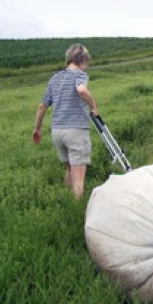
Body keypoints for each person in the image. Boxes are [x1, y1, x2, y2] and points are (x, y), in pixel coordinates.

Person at [32, 44, 99, 199]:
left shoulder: (55, 78)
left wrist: (37, 129)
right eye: (86, 63)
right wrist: (93, 107)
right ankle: (77, 210)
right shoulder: (79, 75)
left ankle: (65, 201)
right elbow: (81, 90)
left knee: (69, 168)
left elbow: (42, 105)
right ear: (81, 60)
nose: (86, 67)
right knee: (78, 180)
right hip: (75, 131)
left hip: (57, 132)